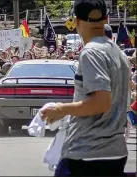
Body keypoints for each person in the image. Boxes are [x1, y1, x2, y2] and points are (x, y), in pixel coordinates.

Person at [41, 0, 129, 176]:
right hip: (116, 152)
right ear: (107, 19)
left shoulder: (91, 52)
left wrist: (60, 109)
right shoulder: (118, 53)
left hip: (86, 153)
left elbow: (101, 102)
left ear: (76, 21)